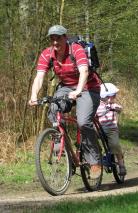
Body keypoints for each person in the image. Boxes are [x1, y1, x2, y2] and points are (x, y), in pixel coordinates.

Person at [28, 25, 102, 179]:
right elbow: (39, 76)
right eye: (52, 38)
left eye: (58, 38)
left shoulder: (76, 50)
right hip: (66, 87)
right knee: (53, 111)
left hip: (88, 87)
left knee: (83, 122)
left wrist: (79, 90)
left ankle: (95, 161)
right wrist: (34, 95)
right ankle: (63, 149)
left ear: (65, 38)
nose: (55, 42)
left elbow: (84, 71)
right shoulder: (47, 54)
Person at [96, 83, 126, 175]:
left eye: (114, 96)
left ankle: (121, 165)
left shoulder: (112, 105)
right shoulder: (96, 105)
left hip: (111, 129)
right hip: (98, 129)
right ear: (106, 96)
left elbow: (119, 108)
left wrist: (117, 108)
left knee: (115, 145)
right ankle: (97, 158)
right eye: (113, 96)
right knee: (92, 140)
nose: (114, 98)